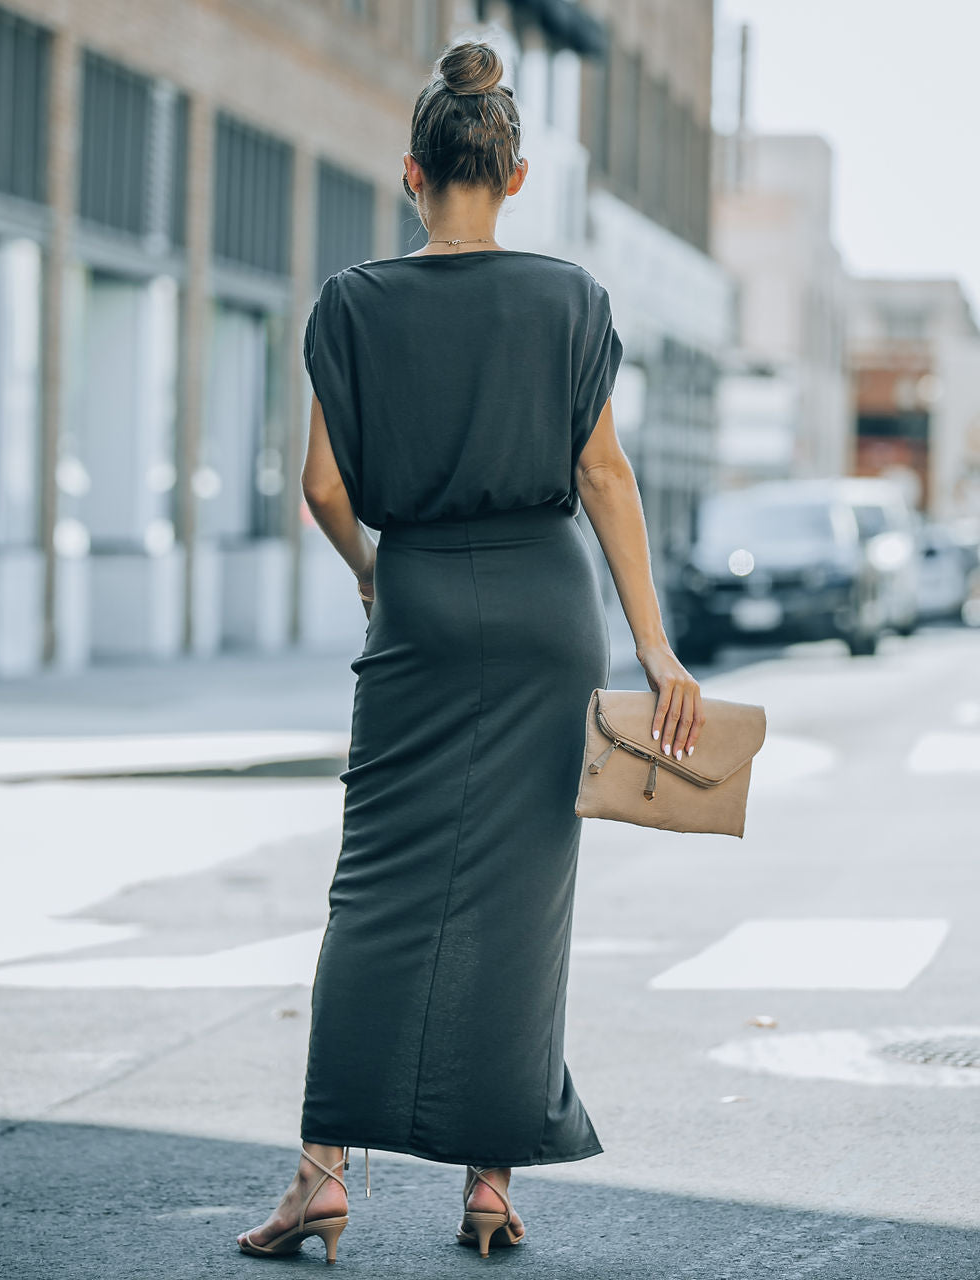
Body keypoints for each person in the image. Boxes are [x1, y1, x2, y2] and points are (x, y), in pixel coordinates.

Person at [237, 36, 704, 1265]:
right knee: (518, 903)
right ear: (515, 174)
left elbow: (323, 486)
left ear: (411, 173)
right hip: (551, 609)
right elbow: (603, 474)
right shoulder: (570, 300)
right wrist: (652, 648)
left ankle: (323, 1174)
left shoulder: (351, 303)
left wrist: (376, 572)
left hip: (424, 598)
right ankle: (489, 1189)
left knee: (375, 885)